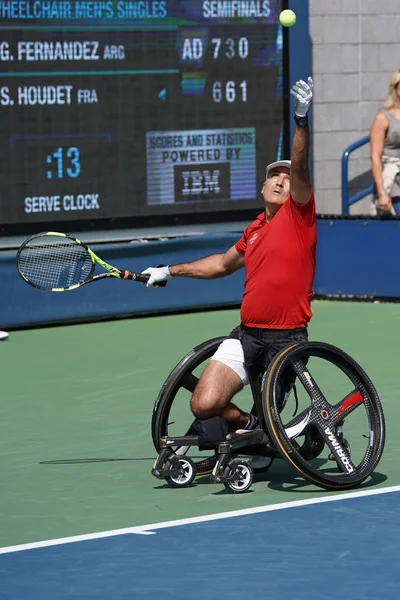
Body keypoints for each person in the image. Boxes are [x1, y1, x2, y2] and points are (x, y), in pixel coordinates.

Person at [143, 76, 316, 437]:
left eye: (287, 177)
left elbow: (300, 165)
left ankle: (276, 431)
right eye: (275, 176)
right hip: (246, 336)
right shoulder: (252, 232)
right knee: (204, 403)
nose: (282, 180)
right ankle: (250, 426)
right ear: (263, 187)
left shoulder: (299, 216)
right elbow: (221, 265)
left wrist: (301, 119)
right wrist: (169, 270)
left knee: (273, 430)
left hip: (286, 342)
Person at [370, 68, 400, 216]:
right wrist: (382, 192)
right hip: (393, 180)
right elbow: (375, 157)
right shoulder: (383, 118)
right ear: (395, 88)